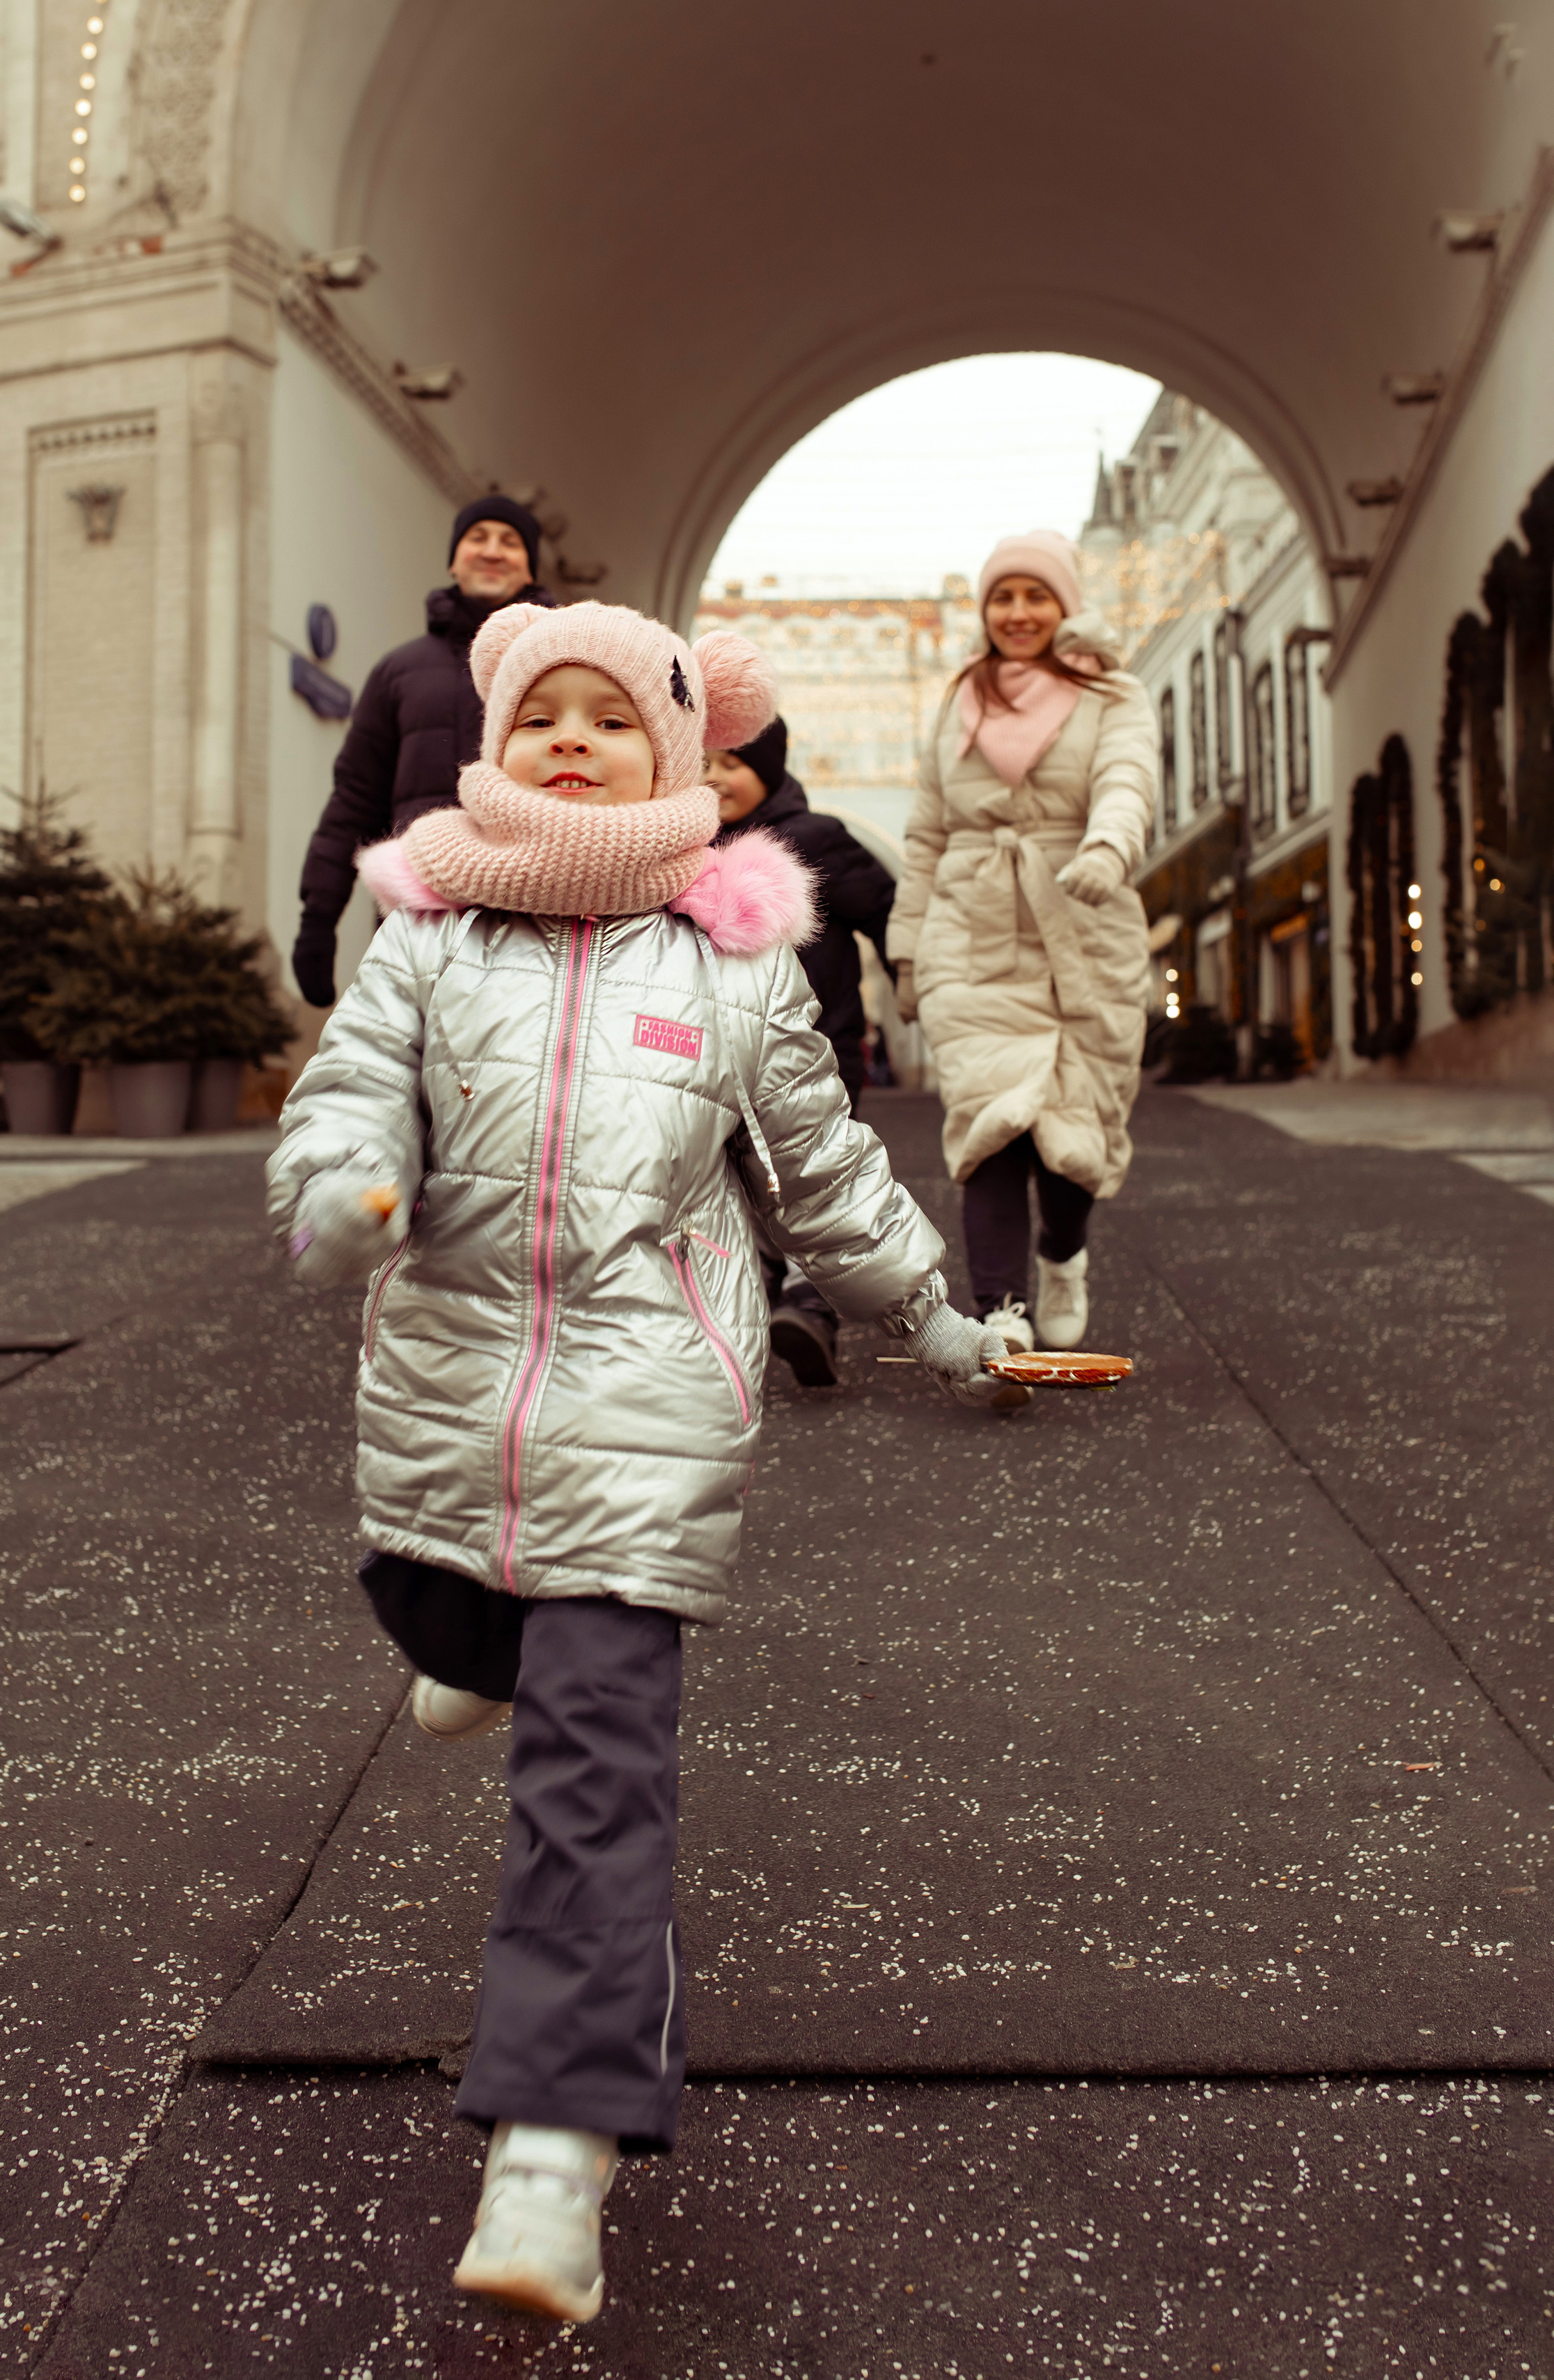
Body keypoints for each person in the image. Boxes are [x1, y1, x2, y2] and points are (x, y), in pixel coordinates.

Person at [268, 599, 1025, 2326]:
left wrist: (939, 1314)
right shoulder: (430, 927)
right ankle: (474, 1641)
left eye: (614, 720)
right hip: (451, 1392)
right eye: (543, 714)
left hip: (646, 1402)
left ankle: (554, 2145)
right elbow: (350, 1084)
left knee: (596, 1776)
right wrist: (340, 1182)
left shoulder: (731, 957)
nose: (570, 741)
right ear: (490, 741)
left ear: (676, 758)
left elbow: (825, 1170)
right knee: (437, 1610)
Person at [885, 529, 1159, 1358]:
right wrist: (907, 948)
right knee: (990, 1126)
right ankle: (1001, 1312)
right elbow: (927, 832)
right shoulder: (959, 698)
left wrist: (1107, 848)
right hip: (971, 934)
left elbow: (1127, 779)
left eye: (1035, 595)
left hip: (1083, 923)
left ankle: (1063, 1253)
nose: (1018, 612)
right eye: (1002, 597)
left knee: (1075, 1134)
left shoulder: (1114, 694)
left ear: (1064, 603)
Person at [290, 494, 550, 1008]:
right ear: (454, 559)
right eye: (478, 538)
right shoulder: (397, 672)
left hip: (537, 909)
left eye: (510, 542)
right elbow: (354, 801)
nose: (492, 551)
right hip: (418, 911)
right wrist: (319, 916)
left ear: (530, 565)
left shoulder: (564, 663)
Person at [707, 716, 899, 1387]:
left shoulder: (816, 839)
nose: (712, 776)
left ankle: (810, 1307)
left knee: (809, 1172)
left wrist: (911, 987)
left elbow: (885, 909)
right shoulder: (684, 847)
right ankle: (762, 1296)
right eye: (699, 761)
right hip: (719, 1050)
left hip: (820, 1044)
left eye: (730, 762)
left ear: (769, 767)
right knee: (734, 1175)